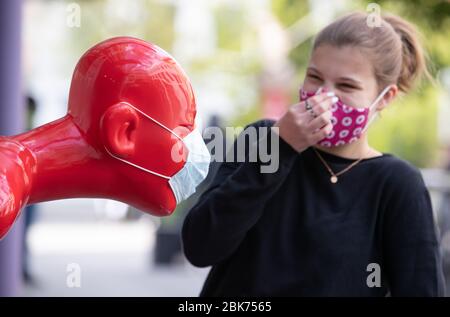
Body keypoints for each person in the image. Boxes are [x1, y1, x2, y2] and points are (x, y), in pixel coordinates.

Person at [182, 12, 445, 296]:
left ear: (385, 98)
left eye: (346, 86)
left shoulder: (395, 183)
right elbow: (201, 247)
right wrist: (280, 149)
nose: (323, 96)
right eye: (314, 77)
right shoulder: (262, 139)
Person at [0, 37, 210, 239]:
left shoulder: (11, 175)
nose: (194, 147)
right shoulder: (5, 190)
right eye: (184, 129)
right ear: (124, 132)